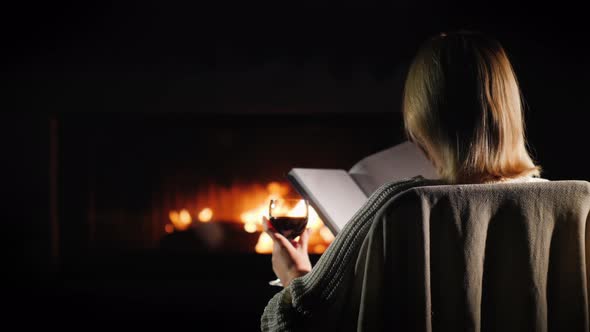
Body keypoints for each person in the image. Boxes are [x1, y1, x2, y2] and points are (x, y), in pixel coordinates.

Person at [261, 31, 545, 331]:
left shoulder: (401, 203)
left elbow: (294, 323)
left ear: (424, 117)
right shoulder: (575, 202)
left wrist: (295, 274)